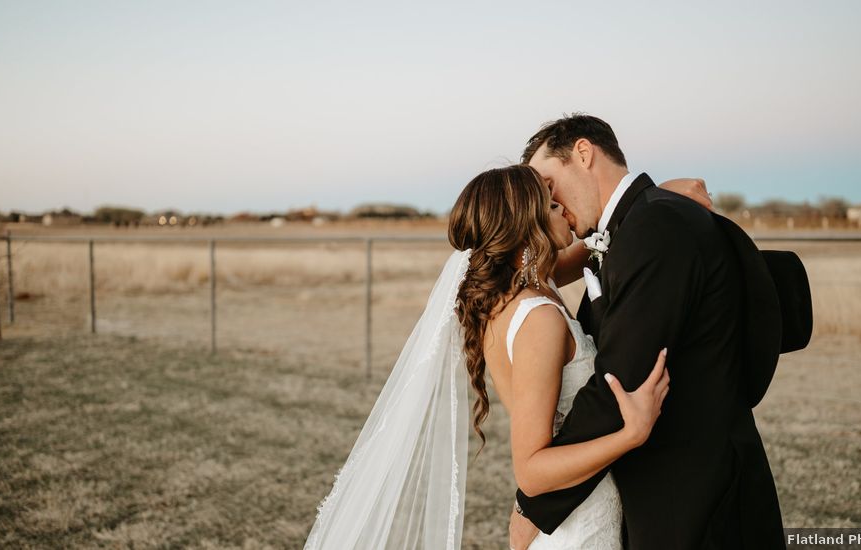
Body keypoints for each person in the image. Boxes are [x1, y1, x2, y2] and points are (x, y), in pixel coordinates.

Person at [303, 165, 710, 550]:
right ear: (526, 227)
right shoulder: (539, 320)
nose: (564, 211)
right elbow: (531, 472)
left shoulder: (524, 288)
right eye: (552, 206)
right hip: (577, 524)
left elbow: (602, 240)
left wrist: (654, 197)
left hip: (583, 505)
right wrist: (630, 435)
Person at [509, 114, 786, 550]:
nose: (551, 203)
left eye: (548, 183)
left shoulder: (655, 228)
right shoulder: (637, 224)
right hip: (667, 490)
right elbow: (516, 268)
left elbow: (619, 383)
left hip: (694, 500)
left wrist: (536, 506)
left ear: (583, 153)